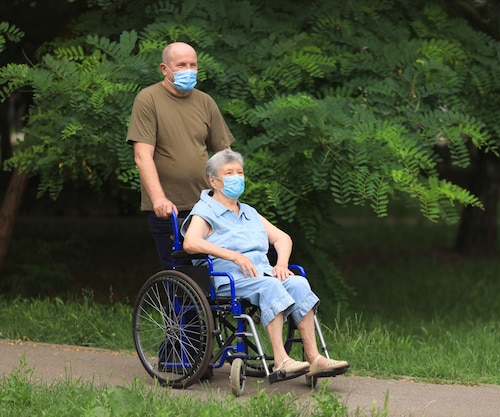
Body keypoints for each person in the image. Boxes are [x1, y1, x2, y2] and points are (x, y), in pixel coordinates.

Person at [181, 149, 349, 377]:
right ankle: (281, 360)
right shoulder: (205, 210)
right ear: (214, 181)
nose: (236, 178)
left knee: (298, 283)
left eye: (239, 172)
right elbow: (191, 243)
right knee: (270, 286)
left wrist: (281, 264)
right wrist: (233, 255)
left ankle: (314, 358)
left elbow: (282, 238)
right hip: (230, 279)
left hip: (262, 274)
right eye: (229, 173)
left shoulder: (249, 212)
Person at [126, 42, 234, 270]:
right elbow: (142, 156)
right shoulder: (149, 100)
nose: (189, 70)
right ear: (165, 69)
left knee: (215, 269)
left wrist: (231, 190)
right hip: (171, 207)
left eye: (193, 65)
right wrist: (159, 199)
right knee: (182, 272)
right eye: (181, 65)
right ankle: (181, 308)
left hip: (207, 204)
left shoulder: (205, 102)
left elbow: (224, 154)